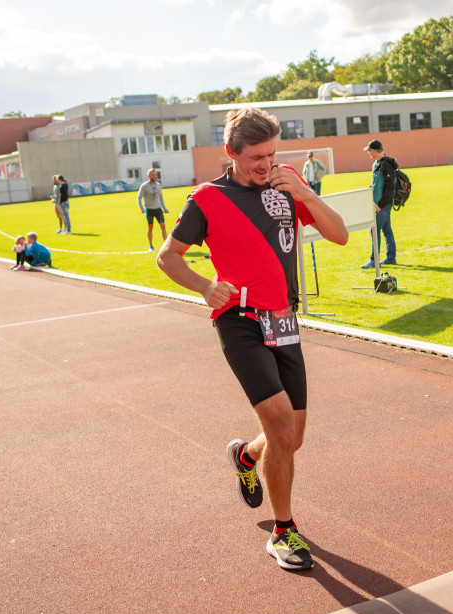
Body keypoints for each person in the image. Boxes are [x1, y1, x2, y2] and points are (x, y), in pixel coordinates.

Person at [156, 107, 348, 571]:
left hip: (283, 319)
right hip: (238, 318)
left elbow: (338, 235)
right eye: (256, 157)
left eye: (271, 154)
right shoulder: (206, 199)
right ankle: (284, 532)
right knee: (281, 427)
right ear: (231, 153)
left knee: (292, 438)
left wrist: (304, 192)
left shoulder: (286, 187)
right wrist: (204, 286)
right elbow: (168, 256)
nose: (266, 164)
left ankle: (245, 455)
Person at [360, 139, 398, 269]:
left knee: (374, 230)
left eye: (369, 150)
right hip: (380, 204)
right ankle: (391, 257)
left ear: (374, 151)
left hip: (383, 205)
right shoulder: (377, 163)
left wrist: (380, 204)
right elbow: (376, 184)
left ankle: (373, 260)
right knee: (387, 230)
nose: (368, 153)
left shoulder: (385, 164)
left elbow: (390, 187)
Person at [137, 168, 170, 251]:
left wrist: (164, 208)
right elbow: (139, 198)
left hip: (158, 209)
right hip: (149, 210)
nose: (154, 176)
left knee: (163, 226)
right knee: (150, 228)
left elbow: (161, 197)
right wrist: (141, 208)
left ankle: (166, 246)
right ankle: (151, 246)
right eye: (152, 175)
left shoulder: (158, 185)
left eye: (155, 175)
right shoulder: (144, 186)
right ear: (148, 176)